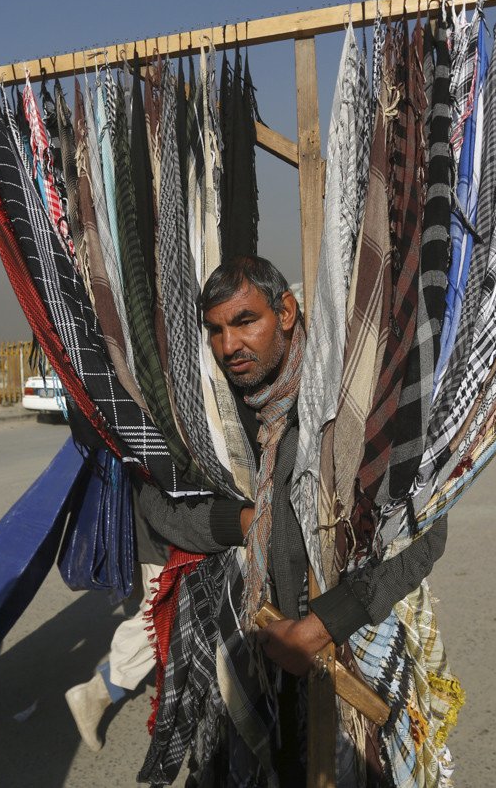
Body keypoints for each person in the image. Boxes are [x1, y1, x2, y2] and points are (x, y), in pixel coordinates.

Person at [135, 255, 447, 785]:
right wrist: (247, 521)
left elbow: (426, 529)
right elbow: (155, 503)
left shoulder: (347, 401)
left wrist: (322, 625)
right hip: (261, 660)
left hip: (350, 653)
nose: (228, 346)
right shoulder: (216, 415)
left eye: (244, 322)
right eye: (215, 330)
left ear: (285, 312)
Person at [63, 510, 166, 752]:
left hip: (163, 522)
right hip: (167, 524)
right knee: (165, 612)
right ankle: (97, 693)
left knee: (166, 609)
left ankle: (101, 690)